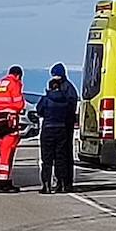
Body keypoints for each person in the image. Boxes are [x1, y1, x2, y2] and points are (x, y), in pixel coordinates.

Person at [35, 62, 79, 193]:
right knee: (62, 157)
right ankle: (63, 183)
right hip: (63, 128)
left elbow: (39, 111)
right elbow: (70, 109)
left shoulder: (46, 99)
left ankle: (48, 184)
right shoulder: (67, 94)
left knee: (47, 159)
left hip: (49, 128)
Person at [0, 65, 26, 193]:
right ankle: (3, 182)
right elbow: (20, 104)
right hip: (11, 120)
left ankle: (5, 180)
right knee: (8, 152)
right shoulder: (15, 84)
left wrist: (2, 105)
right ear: (18, 75)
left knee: (2, 149)